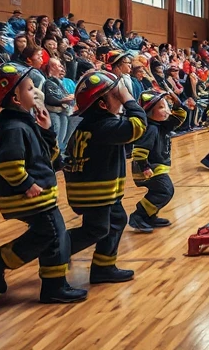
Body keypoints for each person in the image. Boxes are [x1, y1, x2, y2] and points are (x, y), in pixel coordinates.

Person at [0, 62, 87, 304]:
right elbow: (7, 165)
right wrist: (26, 184)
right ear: (15, 98)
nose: (36, 91)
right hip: (28, 195)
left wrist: (47, 130)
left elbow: (49, 158)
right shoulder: (14, 127)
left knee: (56, 236)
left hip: (40, 194)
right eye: (29, 88)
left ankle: (54, 285)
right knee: (50, 234)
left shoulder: (26, 122)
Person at [65, 70, 147, 284]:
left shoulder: (93, 123)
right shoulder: (104, 125)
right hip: (95, 192)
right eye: (115, 95)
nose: (120, 97)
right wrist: (128, 98)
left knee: (117, 220)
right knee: (96, 229)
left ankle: (103, 267)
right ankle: (55, 249)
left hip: (97, 190)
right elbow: (139, 126)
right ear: (102, 104)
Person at [128, 90, 187, 233]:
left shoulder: (162, 125)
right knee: (165, 191)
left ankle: (149, 216)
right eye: (161, 107)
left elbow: (179, 117)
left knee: (161, 191)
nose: (167, 110)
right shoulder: (151, 128)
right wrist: (145, 167)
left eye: (167, 105)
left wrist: (177, 103)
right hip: (148, 168)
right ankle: (139, 215)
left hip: (157, 167)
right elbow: (139, 151)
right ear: (149, 112)